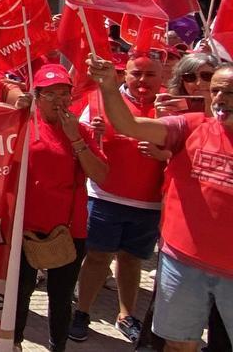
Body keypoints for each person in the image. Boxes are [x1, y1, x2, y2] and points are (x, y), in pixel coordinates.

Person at [88, 56, 233, 352]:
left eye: (230, 92)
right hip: (182, 261)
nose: (220, 98)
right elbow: (128, 124)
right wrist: (108, 87)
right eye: (216, 90)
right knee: (178, 344)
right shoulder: (191, 126)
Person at [71, 55, 167, 342]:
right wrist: (93, 133)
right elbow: (80, 140)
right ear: (125, 74)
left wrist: (163, 154)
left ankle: (126, 314)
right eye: (137, 73)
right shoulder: (99, 100)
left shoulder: (169, 107)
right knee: (97, 258)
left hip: (149, 201)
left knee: (131, 261)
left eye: (150, 74)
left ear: (161, 78)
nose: (143, 80)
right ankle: (82, 312)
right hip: (105, 197)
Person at [14, 64, 108, 352]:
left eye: (64, 93)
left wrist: (77, 139)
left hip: (69, 228)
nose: (59, 100)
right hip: (24, 226)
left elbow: (101, 174)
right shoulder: (21, 123)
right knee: (20, 294)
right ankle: (15, 342)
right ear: (37, 96)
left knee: (61, 295)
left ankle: (58, 345)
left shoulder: (80, 129)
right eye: (50, 93)